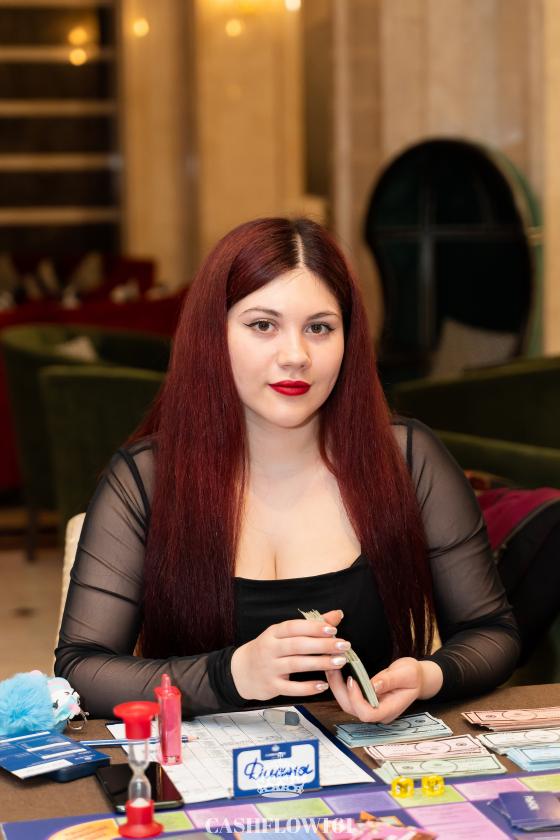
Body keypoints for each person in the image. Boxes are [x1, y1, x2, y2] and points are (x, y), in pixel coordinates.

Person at [55, 217, 520, 722]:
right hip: (204, 767)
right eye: (263, 325)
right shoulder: (145, 479)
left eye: (319, 328)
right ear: (213, 334)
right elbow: (81, 671)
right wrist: (231, 674)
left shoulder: (407, 458)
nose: (296, 356)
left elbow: (492, 632)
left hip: (367, 764)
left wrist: (429, 676)